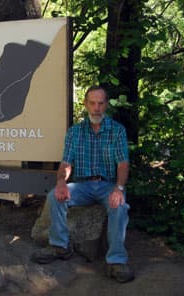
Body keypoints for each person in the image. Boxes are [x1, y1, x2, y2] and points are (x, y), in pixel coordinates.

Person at [31, 85, 134, 283]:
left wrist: (118, 189)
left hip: (108, 185)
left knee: (119, 206)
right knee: (55, 196)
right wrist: (62, 181)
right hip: (82, 186)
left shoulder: (117, 131)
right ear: (85, 104)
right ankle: (60, 246)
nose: (96, 108)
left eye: (100, 103)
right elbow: (66, 162)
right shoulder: (75, 132)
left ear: (106, 105)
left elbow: (123, 164)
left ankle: (116, 261)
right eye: (92, 103)